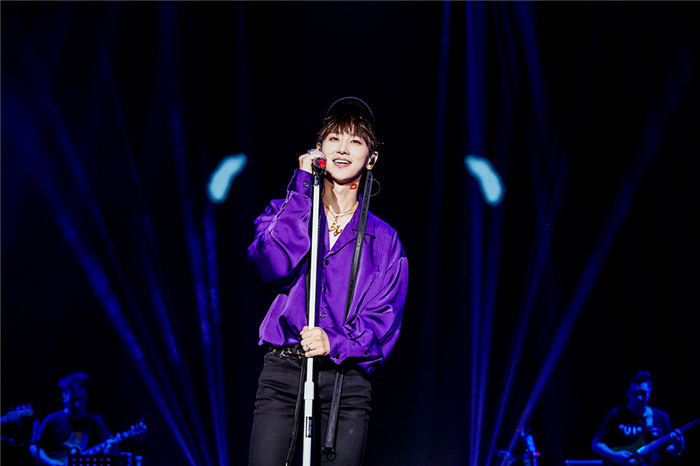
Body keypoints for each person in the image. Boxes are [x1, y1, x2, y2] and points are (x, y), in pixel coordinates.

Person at [247, 96, 409, 466]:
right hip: (284, 370)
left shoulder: (385, 240)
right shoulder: (288, 210)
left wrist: (332, 340)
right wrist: (303, 187)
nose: (343, 148)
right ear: (318, 148)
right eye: (334, 138)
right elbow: (271, 264)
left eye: (355, 140)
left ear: (371, 158)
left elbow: (383, 321)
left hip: (346, 382)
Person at [592, 370, 684, 465]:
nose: (639, 398)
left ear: (650, 391)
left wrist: (677, 447)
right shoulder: (616, 414)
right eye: (635, 393)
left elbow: (667, 450)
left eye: (643, 393)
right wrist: (614, 455)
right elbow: (597, 444)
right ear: (628, 392)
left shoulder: (661, 417)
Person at [29, 372, 114, 466]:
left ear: (87, 397)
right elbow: (34, 447)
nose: (77, 404)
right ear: (64, 396)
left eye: (81, 399)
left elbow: (108, 452)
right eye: (73, 399)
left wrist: (111, 450)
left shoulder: (96, 422)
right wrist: (50, 462)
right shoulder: (52, 420)